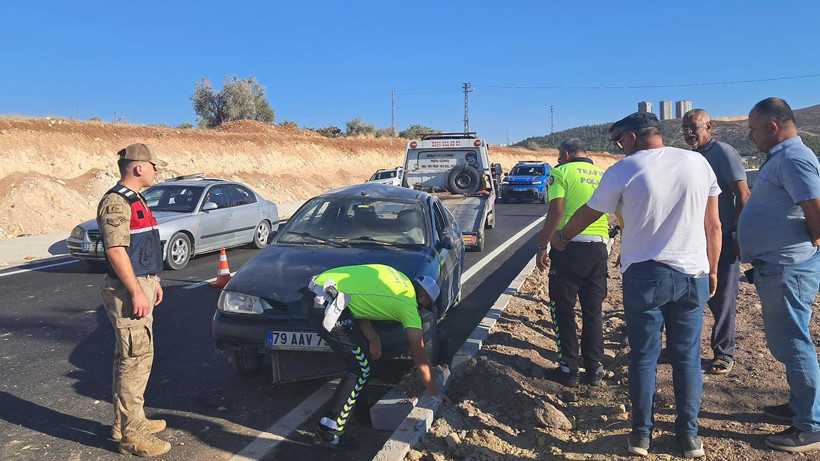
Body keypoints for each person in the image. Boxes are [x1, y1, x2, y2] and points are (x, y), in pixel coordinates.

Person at [550, 112, 721, 459]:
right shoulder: (697, 163)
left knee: (644, 357)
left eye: (619, 142)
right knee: (687, 358)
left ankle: (641, 436)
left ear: (630, 138)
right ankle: (689, 437)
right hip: (693, 275)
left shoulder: (625, 170)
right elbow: (713, 223)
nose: (620, 149)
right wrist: (713, 268)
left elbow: (591, 211)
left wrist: (562, 237)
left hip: (646, 276)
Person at [737, 97, 820, 453]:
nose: (751, 136)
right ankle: (799, 406)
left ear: (772, 126)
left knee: (793, 343)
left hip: (789, 267)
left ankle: (811, 424)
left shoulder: (795, 158)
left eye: (754, 129)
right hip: (781, 266)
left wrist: (812, 244)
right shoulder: (782, 158)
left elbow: (815, 209)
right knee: (786, 342)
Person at [305, 264, 449, 450]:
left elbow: (358, 300)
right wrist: (433, 391)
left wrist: (373, 338)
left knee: (361, 362)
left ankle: (358, 414)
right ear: (422, 297)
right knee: (361, 368)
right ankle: (328, 430)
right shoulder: (407, 304)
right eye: (425, 305)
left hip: (321, 291)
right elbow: (419, 354)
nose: (422, 308)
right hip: (327, 302)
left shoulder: (399, 277)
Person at [97, 144, 170, 457]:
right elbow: (116, 250)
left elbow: (141, 249)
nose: (157, 171)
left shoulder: (135, 198)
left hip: (142, 284)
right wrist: (137, 291)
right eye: (154, 166)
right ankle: (133, 435)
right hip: (128, 291)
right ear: (139, 168)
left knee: (131, 357)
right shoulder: (116, 202)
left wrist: (154, 281)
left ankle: (126, 422)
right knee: (135, 359)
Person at [535, 138, 609, 387]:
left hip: (567, 246)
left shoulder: (561, 172)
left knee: (563, 309)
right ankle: (595, 369)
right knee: (593, 310)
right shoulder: (602, 174)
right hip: (598, 248)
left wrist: (543, 245)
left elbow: (556, 210)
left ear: (565, 154)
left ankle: (569, 369)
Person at [682, 109, 751, 375]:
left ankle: (723, 352)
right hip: (695, 239)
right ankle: (688, 347)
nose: (689, 133)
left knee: (723, 299)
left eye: (694, 127)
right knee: (693, 296)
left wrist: (740, 235)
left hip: (724, 237)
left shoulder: (723, 153)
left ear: (708, 126)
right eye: (685, 129)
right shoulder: (691, 158)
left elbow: (743, 195)